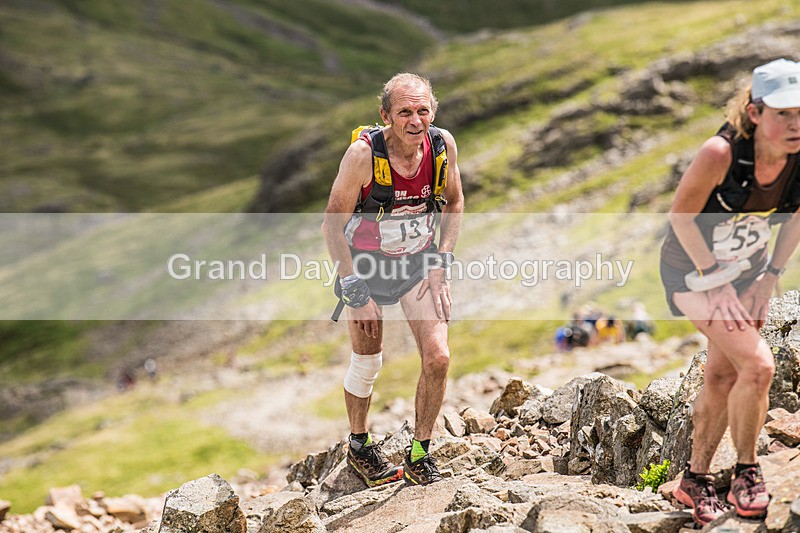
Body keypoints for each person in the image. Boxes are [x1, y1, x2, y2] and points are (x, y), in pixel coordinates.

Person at [659, 58, 800, 526]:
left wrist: (769, 275)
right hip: (693, 275)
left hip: (749, 274)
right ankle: (747, 473)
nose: (795, 123)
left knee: (723, 375)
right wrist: (716, 278)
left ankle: (694, 482)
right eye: (784, 113)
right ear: (756, 112)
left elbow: (795, 214)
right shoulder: (720, 153)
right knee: (759, 366)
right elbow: (680, 217)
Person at [322, 73, 464, 487]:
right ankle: (360, 444)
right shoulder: (362, 156)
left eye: (423, 111)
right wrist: (354, 289)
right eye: (405, 112)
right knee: (368, 359)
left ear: (433, 112)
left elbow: (454, 202)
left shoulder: (443, 146)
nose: (416, 120)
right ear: (386, 115)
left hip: (419, 262)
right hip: (365, 266)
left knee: (438, 357)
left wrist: (443, 259)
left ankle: (420, 453)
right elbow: (333, 225)